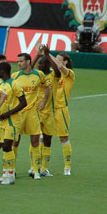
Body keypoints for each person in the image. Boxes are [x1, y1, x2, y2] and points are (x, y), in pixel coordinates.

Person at [12, 53, 49, 180]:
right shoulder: (15, 76)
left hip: (32, 113)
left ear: (28, 62)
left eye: (21, 61)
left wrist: (44, 100)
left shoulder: (39, 74)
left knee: (35, 141)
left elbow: (46, 86)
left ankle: (36, 170)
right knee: (15, 141)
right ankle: (12, 170)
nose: (19, 63)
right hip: (19, 113)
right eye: (18, 61)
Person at [43, 48, 75, 176]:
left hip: (61, 110)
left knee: (64, 137)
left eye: (59, 60)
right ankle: (43, 167)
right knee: (45, 138)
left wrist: (48, 54)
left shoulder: (69, 74)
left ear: (65, 62)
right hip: (48, 110)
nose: (55, 62)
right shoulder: (51, 75)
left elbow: (60, 67)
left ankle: (67, 167)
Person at [0, 62, 27, 185]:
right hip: (2, 120)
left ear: (4, 71)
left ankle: (11, 175)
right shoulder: (1, 84)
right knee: (5, 146)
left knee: (7, 145)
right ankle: (5, 174)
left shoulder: (15, 84)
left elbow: (24, 102)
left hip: (12, 121)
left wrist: (8, 113)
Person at [31, 45, 58, 177]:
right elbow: (30, 68)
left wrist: (47, 55)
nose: (39, 66)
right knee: (35, 138)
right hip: (36, 111)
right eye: (39, 64)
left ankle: (44, 168)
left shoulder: (53, 75)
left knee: (48, 140)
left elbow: (58, 70)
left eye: (42, 64)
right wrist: (37, 55)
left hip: (49, 113)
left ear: (47, 65)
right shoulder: (37, 75)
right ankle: (33, 166)